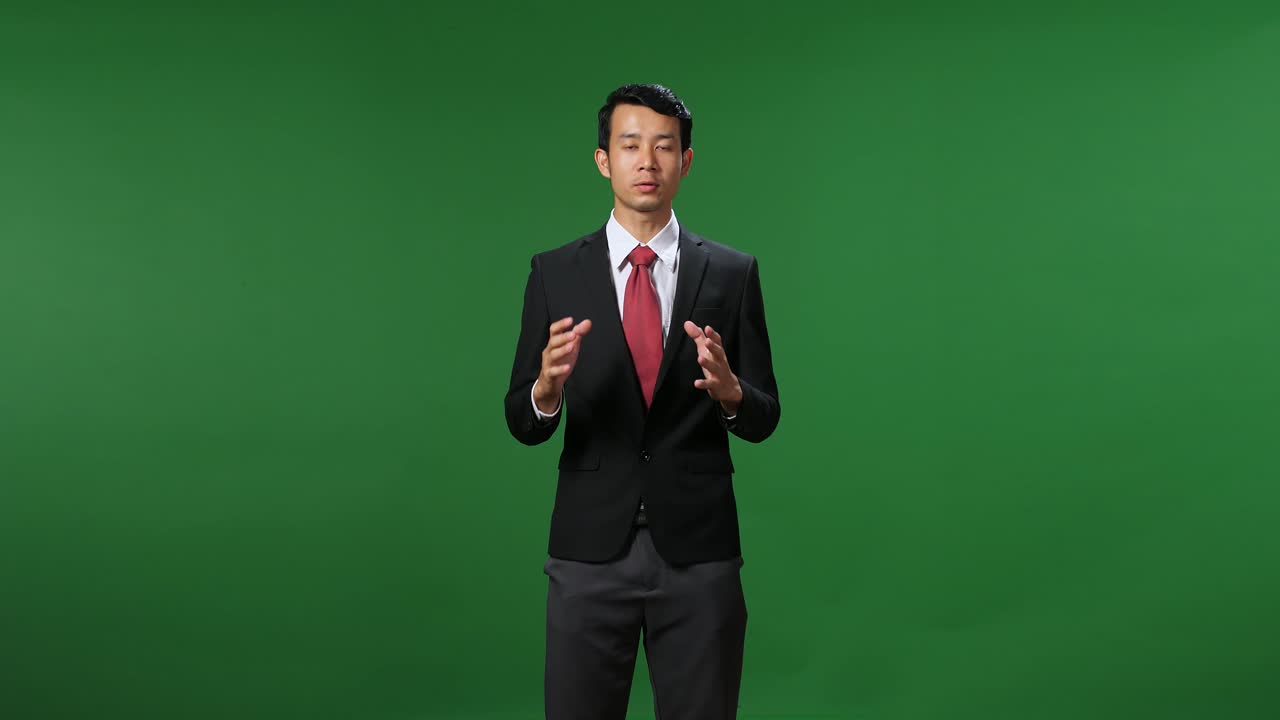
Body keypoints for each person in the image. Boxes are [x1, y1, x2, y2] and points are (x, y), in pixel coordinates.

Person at [504, 83, 781, 720]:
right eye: (630, 145)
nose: (647, 162)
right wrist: (546, 390)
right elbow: (522, 417)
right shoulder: (554, 273)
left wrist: (733, 392)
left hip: (700, 553)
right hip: (587, 552)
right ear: (604, 159)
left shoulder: (733, 273)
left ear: (686, 160)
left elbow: (765, 416)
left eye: (664, 146)